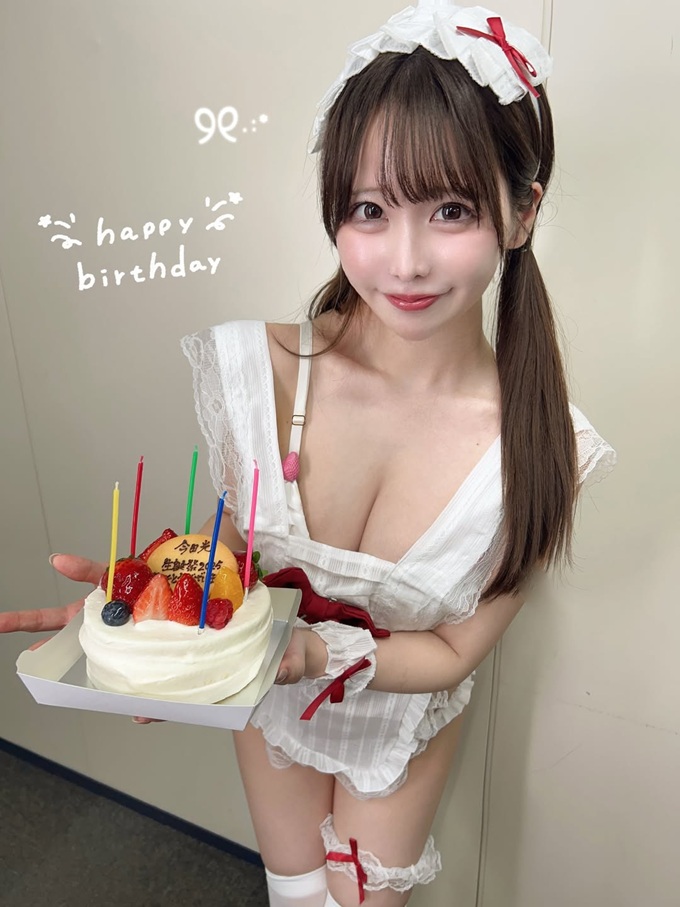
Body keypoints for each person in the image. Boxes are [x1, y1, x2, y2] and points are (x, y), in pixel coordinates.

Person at [2, 2, 616, 905]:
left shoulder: (540, 447)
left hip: (398, 723)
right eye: (369, 209)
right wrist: (145, 627)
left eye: (451, 209)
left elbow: (453, 649)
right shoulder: (262, 375)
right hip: (272, 694)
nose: (404, 261)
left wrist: (317, 653)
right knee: (293, 893)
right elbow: (232, 566)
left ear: (522, 212)